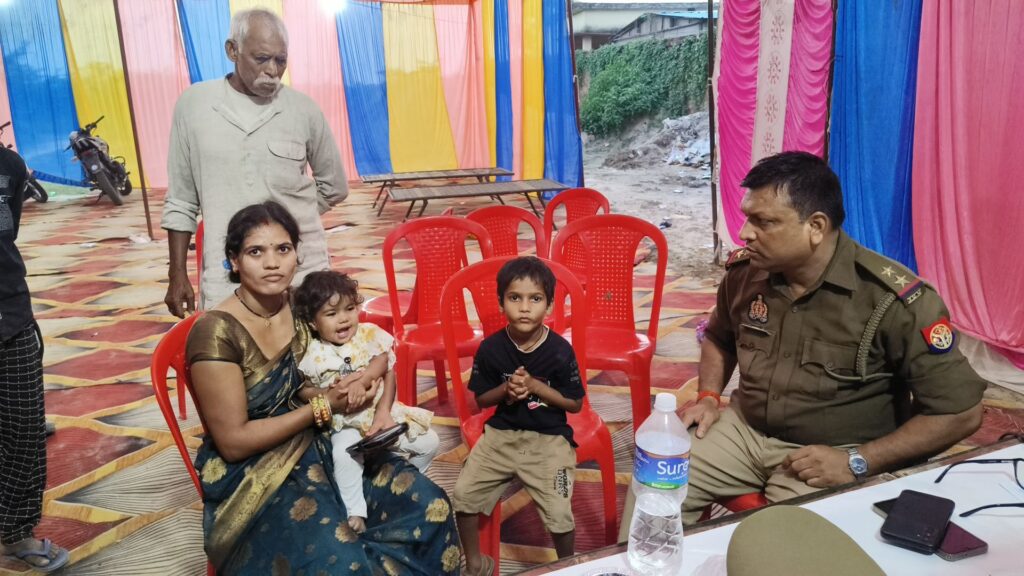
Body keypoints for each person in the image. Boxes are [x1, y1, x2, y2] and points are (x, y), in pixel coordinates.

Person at [659, 151, 986, 527]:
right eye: (748, 217)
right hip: (744, 430)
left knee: (784, 544)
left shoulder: (893, 302)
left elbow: (960, 412)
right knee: (656, 477)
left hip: (837, 451)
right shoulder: (744, 275)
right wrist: (708, 396)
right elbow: (719, 337)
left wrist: (859, 460)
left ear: (815, 226)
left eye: (763, 222)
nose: (745, 233)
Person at [186, 201, 460, 574]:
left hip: (328, 438)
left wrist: (351, 391)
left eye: (283, 248)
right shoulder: (216, 332)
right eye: (255, 252)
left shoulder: (301, 307)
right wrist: (324, 406)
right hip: (258, 470)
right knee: (341, 561)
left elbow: (326, 373)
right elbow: (234, 442)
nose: (272, 263)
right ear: (234, 261)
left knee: (431, 505)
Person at [162, 8, 347, 317]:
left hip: (301, 270)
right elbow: (181, 200)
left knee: (309, 346)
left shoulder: (303, 110)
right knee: (229, 346)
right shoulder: (195, 106)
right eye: (261, 59)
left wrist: (290, 220)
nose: (272, 70)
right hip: (228, 274)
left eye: (280, 60)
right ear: (232, 50)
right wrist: (176, 273)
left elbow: (335, 186)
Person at [453, 256, 585, 576]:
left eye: (535, 299)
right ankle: (475, 563)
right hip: (501, 434)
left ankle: (566, 566)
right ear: (501, 303)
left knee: (559, 511)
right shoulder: (491, 348)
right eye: (515, 298)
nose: (524, 308)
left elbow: (574, 404)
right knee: (463, 496)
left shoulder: (559, 350)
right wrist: (506, 390)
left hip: (549, 439)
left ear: (549, 306)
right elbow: (482, 399)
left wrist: (537, 387)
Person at [292, 270, 439, 534]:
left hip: (382, 414)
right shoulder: (314, 354)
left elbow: (383, 361)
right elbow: (303, 389)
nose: (344, 318)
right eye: (331, 313)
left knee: (430, 442)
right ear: (313, 322)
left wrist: (364, 383)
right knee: (343, 455)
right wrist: (327, 393)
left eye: (350, 308)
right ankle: (355, 511)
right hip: (346, 422)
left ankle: (409, 481)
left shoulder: (368, 334)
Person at [0, 146, 69, 572]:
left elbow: (8, 233)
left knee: (24, 430)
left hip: (12, 315)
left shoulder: (8, 167)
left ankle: (15, 532)